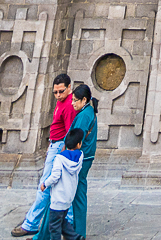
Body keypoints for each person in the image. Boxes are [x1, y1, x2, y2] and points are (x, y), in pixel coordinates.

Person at [10, 74, 74, 236]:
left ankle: (31, 223)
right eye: (55, 92)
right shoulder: (62, 102)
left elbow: (69, 133)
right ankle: (67, 224)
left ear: (69, 88)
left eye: (61, 91)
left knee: (45, 184)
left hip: (60, 146)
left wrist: (60, 152)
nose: (58, 95)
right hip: (55, 144)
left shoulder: (67, 105)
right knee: (62, 186)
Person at [15, 127, 82, 240]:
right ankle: (75, 237)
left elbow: (55, 176)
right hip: (68, 198)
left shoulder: (59, 159)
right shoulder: (80, 156)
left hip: (57, 200)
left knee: (54, 226)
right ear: (79, 145)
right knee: (62, 222)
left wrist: (45, 184)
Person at [62, 81, 97, 238]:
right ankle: (77, 232)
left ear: (84, 100)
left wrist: (64, 157)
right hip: (86, 158)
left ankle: (76, 232)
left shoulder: (84, 115)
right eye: (72, 100)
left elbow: (76, 140)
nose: (73, 103)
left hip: (79, 159)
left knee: (75, 196)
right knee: (79, 196)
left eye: (75, 100)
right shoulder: (89, 112)